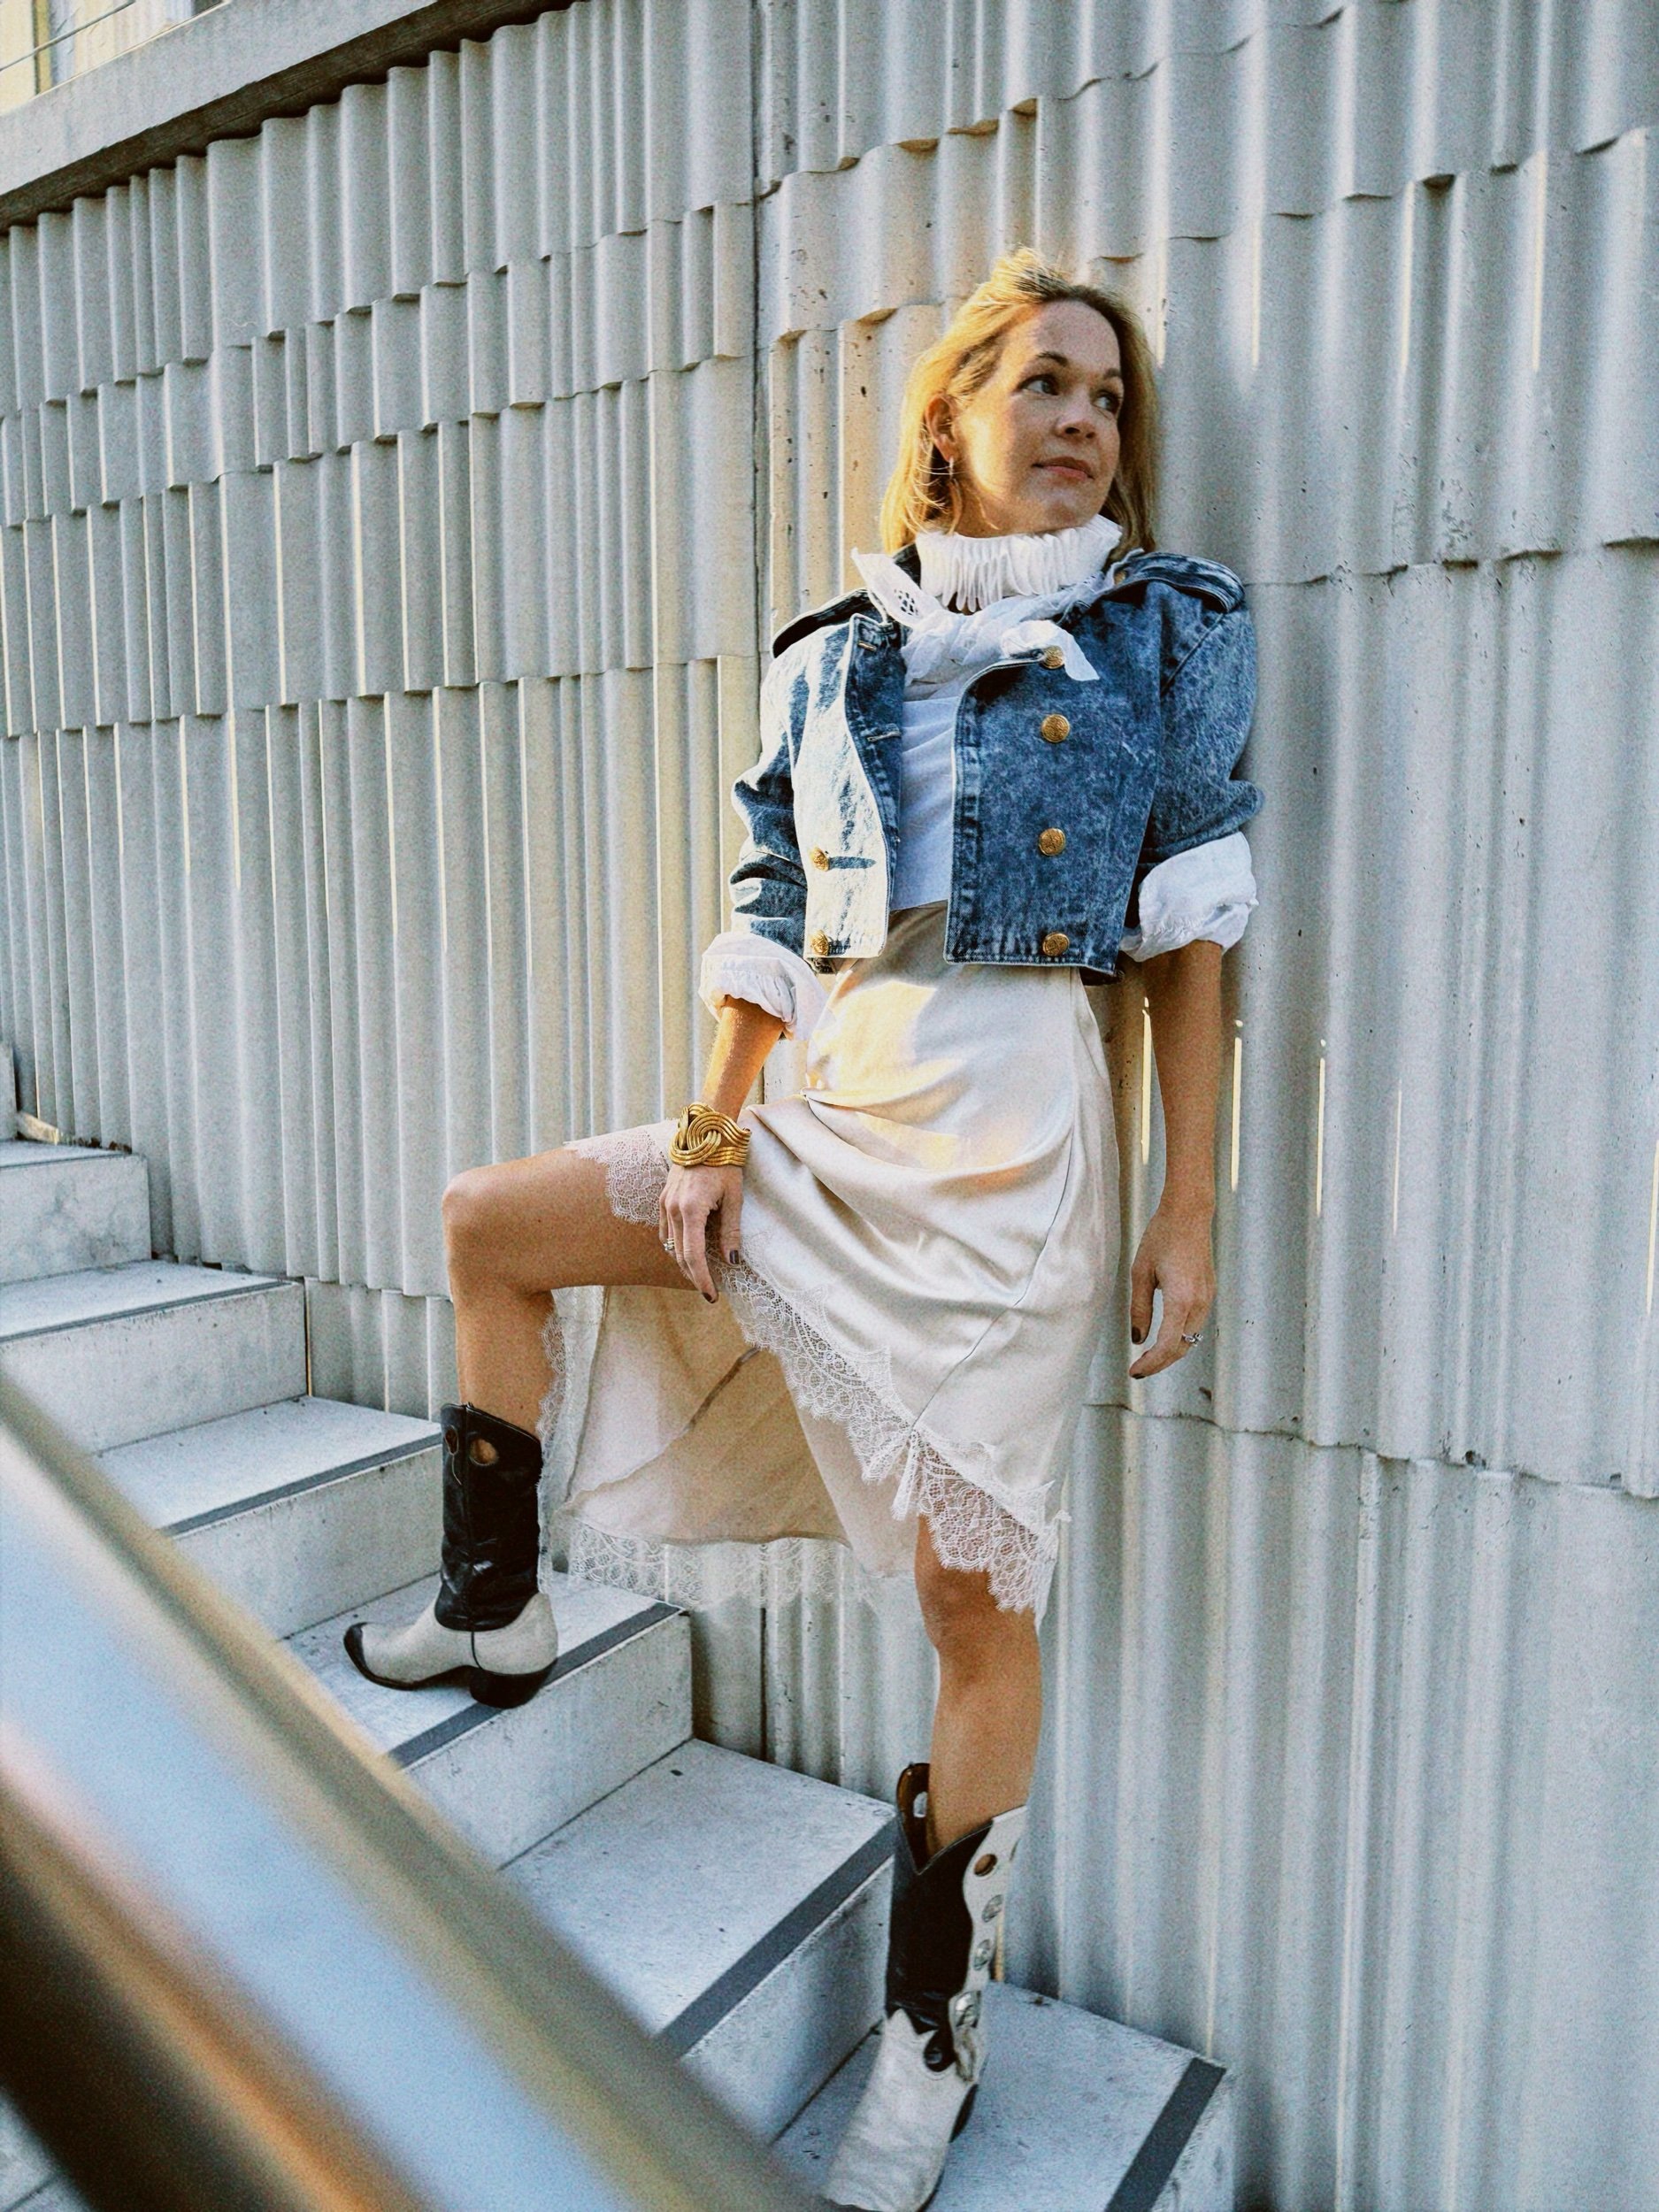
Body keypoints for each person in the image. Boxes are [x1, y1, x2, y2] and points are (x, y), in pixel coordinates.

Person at [343, 246, 1263, 2212]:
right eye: (1042, 381)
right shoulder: (829, 649)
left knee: (968, 1602)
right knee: (493, 1223)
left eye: (1107, 395)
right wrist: (711, 1128)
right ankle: (496, 1602)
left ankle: (931, 2039)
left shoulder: (1165, 628)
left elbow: (1191, 933)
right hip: (831, 1101)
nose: (1082, 418)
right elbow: (770, 906)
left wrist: (1188, 1198)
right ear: (950, 416)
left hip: (1016, 1143)